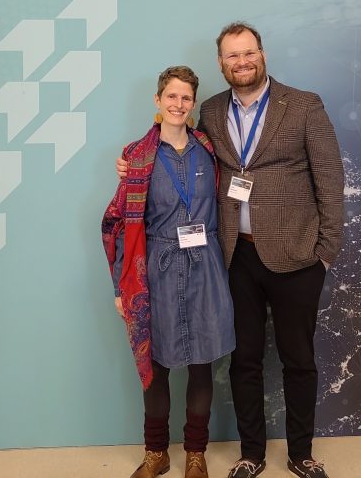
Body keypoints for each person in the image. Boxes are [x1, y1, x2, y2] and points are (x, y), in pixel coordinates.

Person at [118, 23, 344, 478]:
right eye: (231, 56)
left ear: (261, 53)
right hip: (233, 259)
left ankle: (301, 453)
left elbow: (331, 180)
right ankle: (251, 454)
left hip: (297, 256)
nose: (241, 62)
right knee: (244, 361)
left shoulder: (302, 105)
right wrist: (130, 160)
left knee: (298, 359)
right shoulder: (213, 113)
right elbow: (175, 158)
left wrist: (325, 252)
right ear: (221, 64)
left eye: (248, 53)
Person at [103, 65, 236, 478]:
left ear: (193, 104)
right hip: (155, 270)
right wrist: (119, 286)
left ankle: (195, 454)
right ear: (158, 101)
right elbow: (119, 223)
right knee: (156, 366)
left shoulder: (210, 150)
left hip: (206, 267)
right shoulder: (138, 156)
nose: (179, 104)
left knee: (201, 364)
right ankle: (156, 453)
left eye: (186, 98)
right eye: (171, 96)